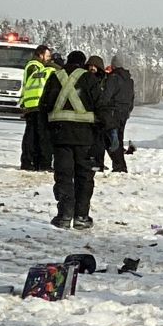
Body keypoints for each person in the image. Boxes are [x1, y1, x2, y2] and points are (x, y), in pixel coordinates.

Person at [40, 50, 110, 229]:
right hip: (85, 137)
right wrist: (104, 129)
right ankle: (81, 216)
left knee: (64, 176)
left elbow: (44, 106)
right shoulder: (89, 79)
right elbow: (101, 107)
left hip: (60, 135)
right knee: (84, 177)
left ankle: (64, 215)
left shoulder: (55, 77)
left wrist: (46, 135)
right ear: (83, 63)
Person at [19, 44, 55, 171]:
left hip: (31, 104)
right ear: (40, 55)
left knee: (32, 134)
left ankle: (30, 161)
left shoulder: (35, 66)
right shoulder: (35, 66)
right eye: (48, 56)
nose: (49, 59)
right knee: (35, 135)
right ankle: (30, 161)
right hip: (36, 103)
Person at [103, 53, 136, 172]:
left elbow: (106, 96)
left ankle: (119, 165)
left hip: (113, 112)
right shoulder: (129, 80)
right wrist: (128, 111)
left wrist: (103, 107)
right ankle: (120, 166)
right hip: (124, 113)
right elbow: (132, 98)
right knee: (119, 140)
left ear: (113, 65)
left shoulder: (113, 78)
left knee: (110, 140)